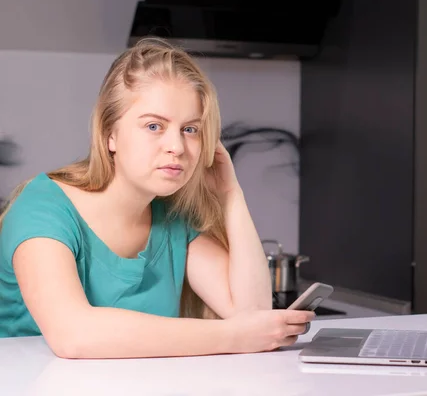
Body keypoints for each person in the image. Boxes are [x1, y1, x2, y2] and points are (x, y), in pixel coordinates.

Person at [0, 37, 314, 358]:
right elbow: (73, 335)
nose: (176, 147)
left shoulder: (173, 217)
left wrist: (231, 194)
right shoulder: (41, 208)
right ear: (110, 134)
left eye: (190, 129)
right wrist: (233, 335)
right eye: (154, 126)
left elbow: (251, 313)